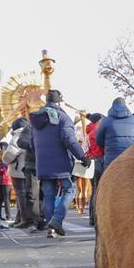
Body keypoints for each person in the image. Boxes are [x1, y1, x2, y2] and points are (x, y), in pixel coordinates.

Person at [29, 90, 90, 237]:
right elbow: (69, 140)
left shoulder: (35, 119)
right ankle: (56, 221)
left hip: (43, 163)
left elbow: (31, 143)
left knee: (49, 195)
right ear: (59, 102)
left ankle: (51, 228)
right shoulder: (63, 118)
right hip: (61, 162)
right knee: (70, 190)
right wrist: (82, 157)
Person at [95, 97, 134, 167]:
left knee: (111, 177)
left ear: (112, 106)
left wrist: (107, 147)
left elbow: (98, 139)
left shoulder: (105, 121)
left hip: (111, 159)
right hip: (132, 157)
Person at [0, 148, 13, 221]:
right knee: (6, 198)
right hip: (7, 180)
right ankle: (8, 216)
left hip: (0, 179)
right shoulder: (7, 158)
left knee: (0, 199)